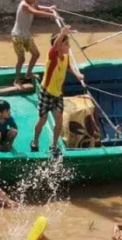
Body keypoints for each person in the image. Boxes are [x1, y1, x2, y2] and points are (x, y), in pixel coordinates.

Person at [32, 25, 83, 156]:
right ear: (59, 46)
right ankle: (35, 141)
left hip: (58, 94)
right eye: (66, 44)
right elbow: (55, 45)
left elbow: (69, 67)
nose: (69, 47)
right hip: (46, 92)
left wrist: (77, 75)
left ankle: (53, 145)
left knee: (59, 120)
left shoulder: (65, 57)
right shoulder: (52, 56)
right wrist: (62, 33)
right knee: (42, 120)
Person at [11, 0, 58, 87]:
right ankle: (16, 80)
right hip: (17, 36)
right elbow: (35, 12)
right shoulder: (24, 5)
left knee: (36, 54)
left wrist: (49, 8)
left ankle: (28, 74)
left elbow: (38, 7)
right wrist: (51, 15)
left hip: (26, 35)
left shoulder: (32, 2)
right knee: (21, 59)